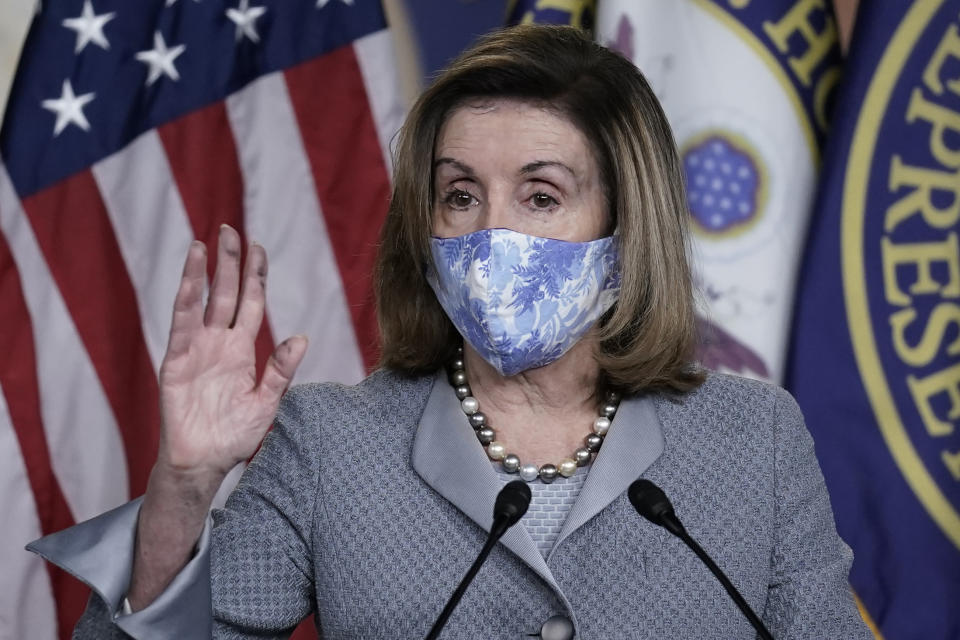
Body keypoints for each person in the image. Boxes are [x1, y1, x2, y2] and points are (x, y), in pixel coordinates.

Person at [30, 24, 871, 639]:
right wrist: (183, 483)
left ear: (627, 226)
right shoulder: (330, 442)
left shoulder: (752, 437)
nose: (489, 233)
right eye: (461, 195)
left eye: (541, 196)